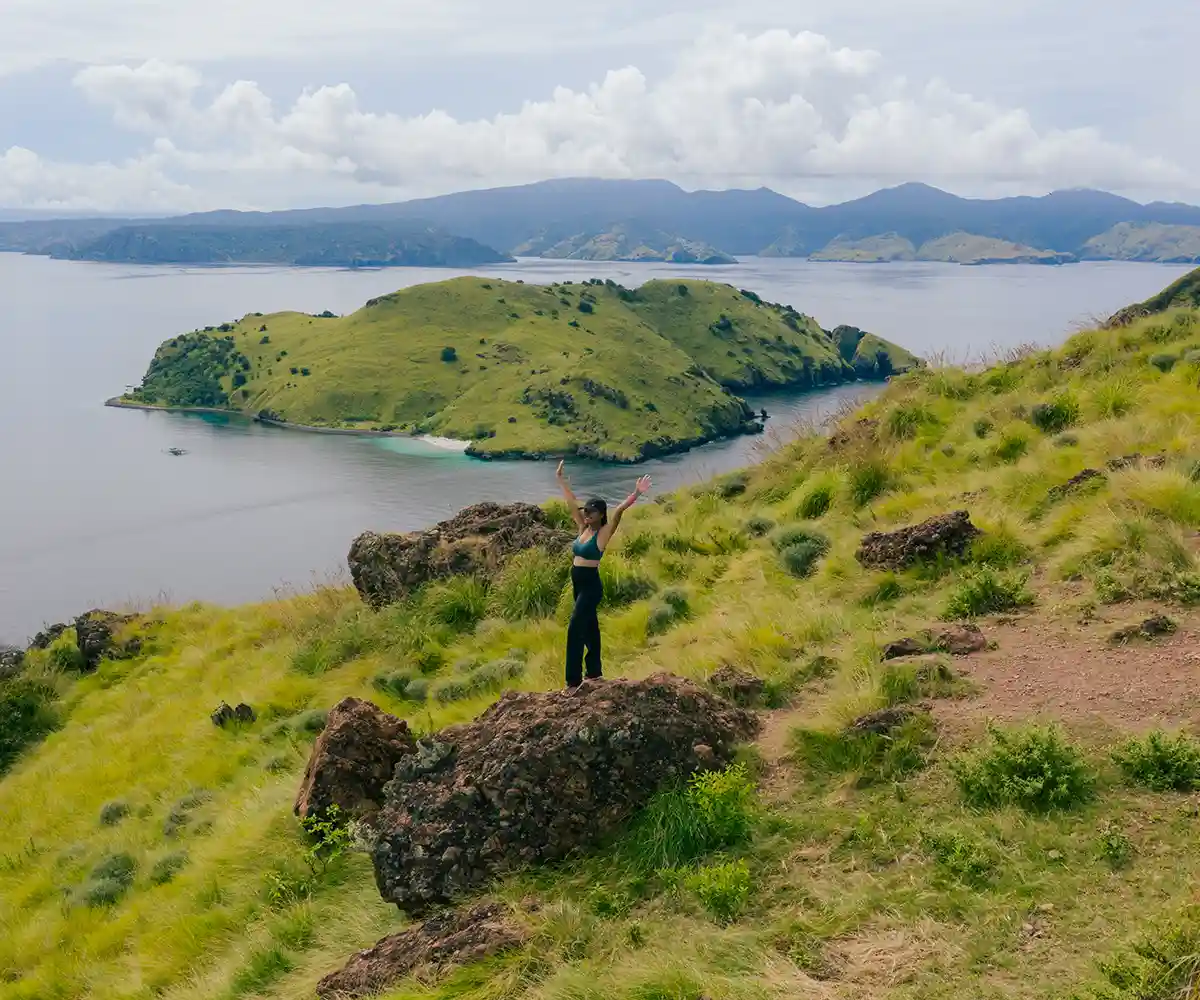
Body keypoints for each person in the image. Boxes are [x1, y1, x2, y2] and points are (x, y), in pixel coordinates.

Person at [555, 459, 652, 688]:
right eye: (585, 511)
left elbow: (618, 511)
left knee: (575, 627)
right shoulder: (583, 528)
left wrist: (636, 494)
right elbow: (571, 502)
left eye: (590, 511)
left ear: (600, 514)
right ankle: (595, 672)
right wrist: (560, 480)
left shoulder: (603, 533)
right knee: (589, 627)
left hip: (590, 586)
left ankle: (573, 681)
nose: (586, 513)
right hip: (577, 582)